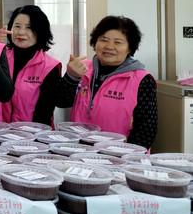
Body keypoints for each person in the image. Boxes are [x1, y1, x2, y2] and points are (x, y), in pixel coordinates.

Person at [56, 15, 157, 149]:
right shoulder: (83, 68)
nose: (109, 46)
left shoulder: (141, 80)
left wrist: (122, 154)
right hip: (80, 150)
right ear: (95, 42)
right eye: (104, 40)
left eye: (118, 42)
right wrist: (71, 77)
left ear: (130, 48)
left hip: (119, 154)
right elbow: (61, 102)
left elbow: (147, 130)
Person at [1, 5, 61, 124]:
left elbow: (45, 113)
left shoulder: (50, 67)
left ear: (40, 31)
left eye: (29, 28)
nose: (21, 32)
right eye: (17, 26)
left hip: (34, 133)